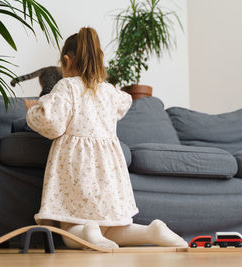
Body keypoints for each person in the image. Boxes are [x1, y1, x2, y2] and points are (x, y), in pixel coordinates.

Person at [25, 27, 188, 249]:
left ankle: (88, 230)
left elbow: (53, 124)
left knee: (70, 234)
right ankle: (151, 232)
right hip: (109, 170)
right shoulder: (109, 92)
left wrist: (34, 110)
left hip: (77, 166)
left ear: (66, 61)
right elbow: (121, 106)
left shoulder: (67, 86)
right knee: (113, 229)